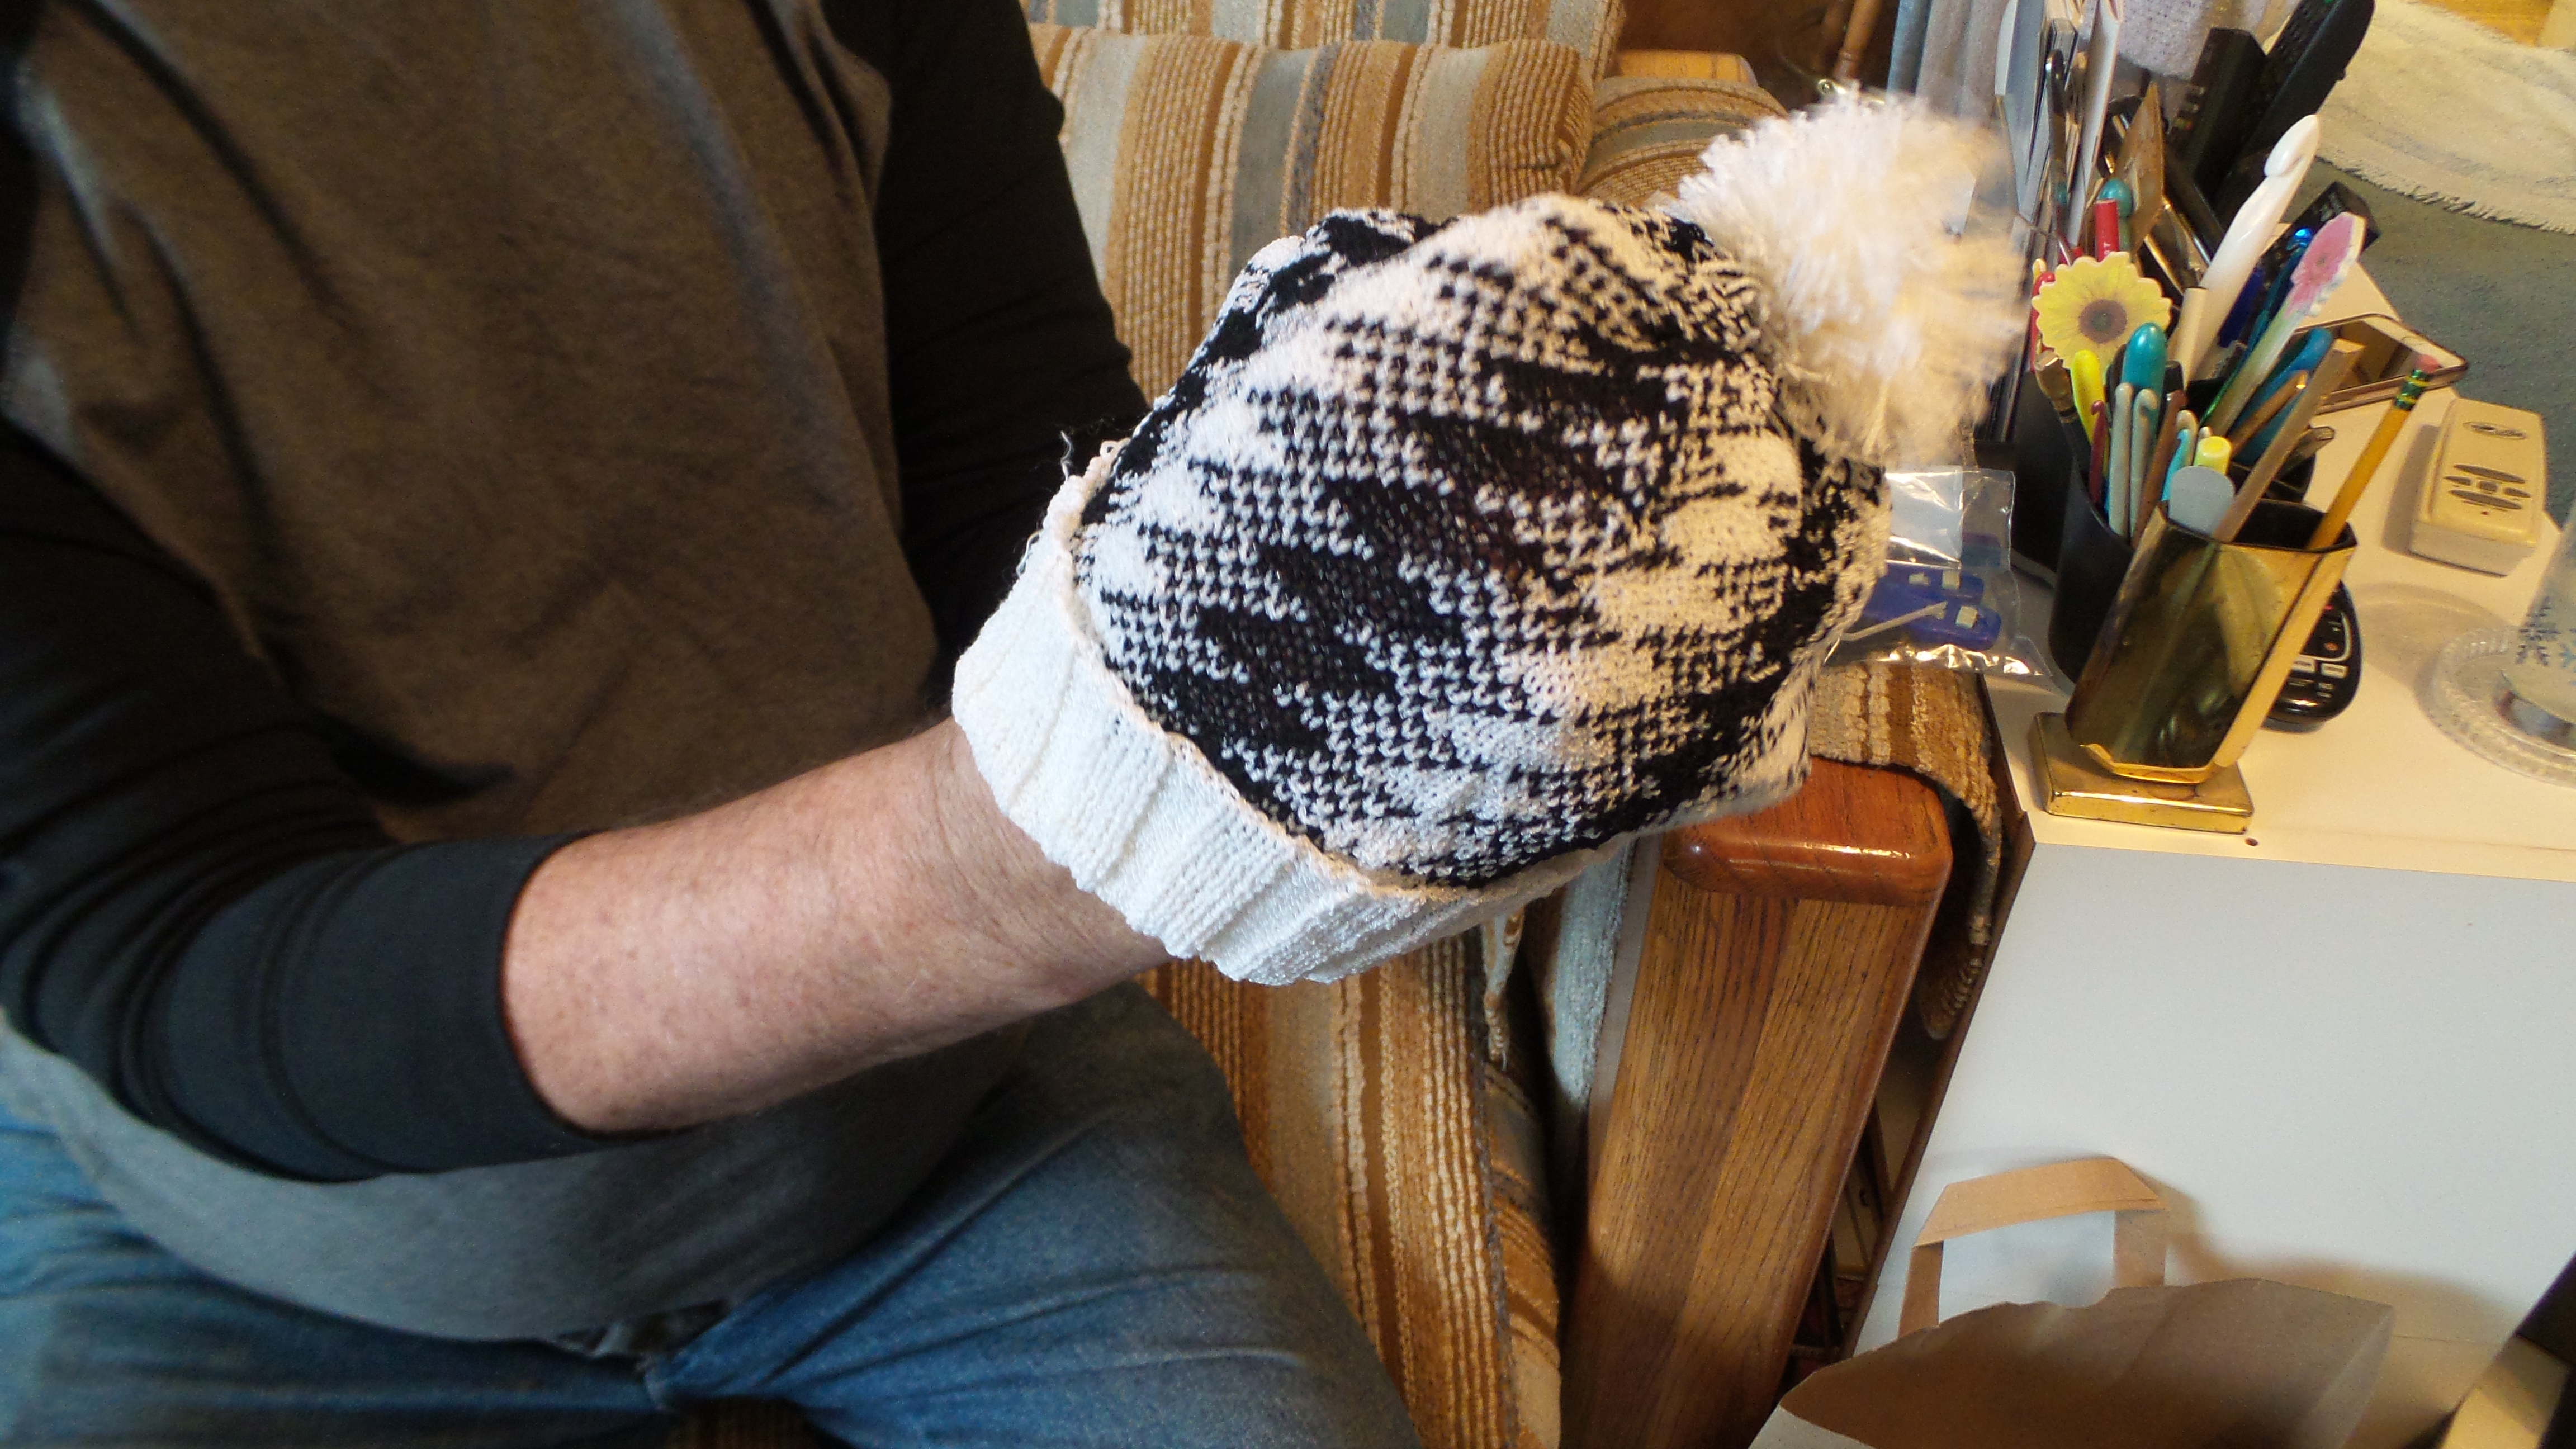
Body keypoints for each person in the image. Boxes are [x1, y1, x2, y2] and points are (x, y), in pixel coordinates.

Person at [0, 1, 1426, 1443]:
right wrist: (1030, 863)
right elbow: (197, 959)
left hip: (952, 1137)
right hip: (238, 1251)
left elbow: (1019, 497)